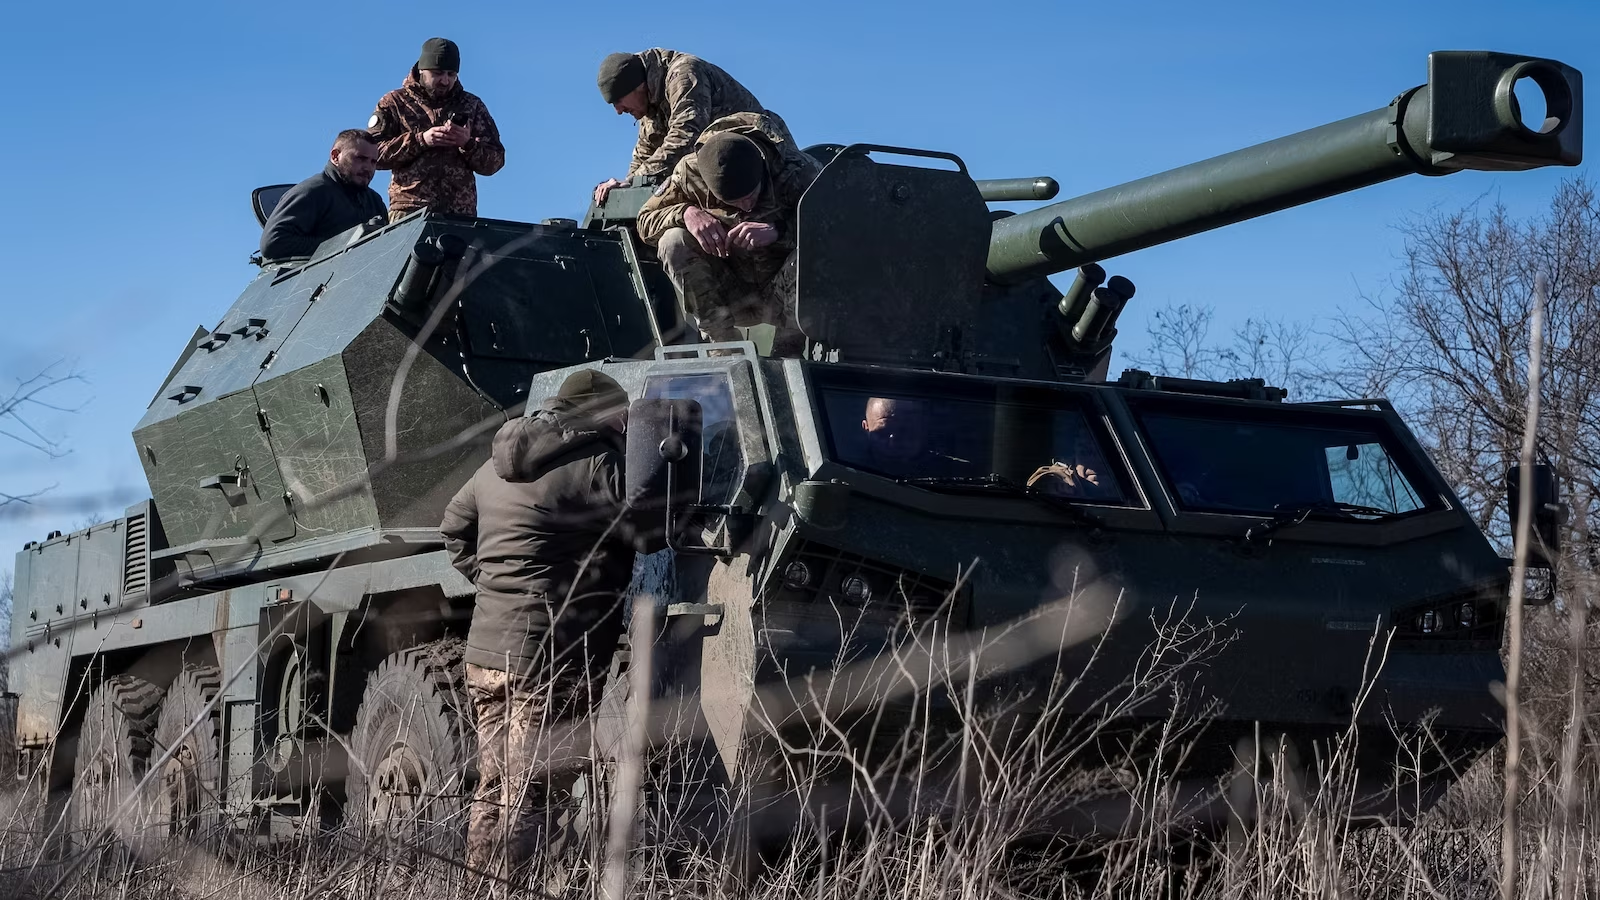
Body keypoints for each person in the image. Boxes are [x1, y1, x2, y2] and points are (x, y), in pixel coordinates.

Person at [439, 369, 663, 885]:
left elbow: (452, 527)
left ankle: (478, 885)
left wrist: (495, 581)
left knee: (493, 786)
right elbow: (649, 535)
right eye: (621, 411)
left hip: (487, 654)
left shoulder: (495, 464)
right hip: (552, 655)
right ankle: (517, 888)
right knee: (534, 792)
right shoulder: (598, 464)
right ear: (602, 412)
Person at [635, 113, 820, 356]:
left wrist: (779, 231)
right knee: (673, 241)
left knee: (807, 256)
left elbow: (840, 230)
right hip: (729, 291)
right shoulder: (689, 172)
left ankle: (787, 355)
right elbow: (644, 220)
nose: (745, 207)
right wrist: (686, 213)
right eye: (733, 202)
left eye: (751, 196)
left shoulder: (799, 171)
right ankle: (725, 351)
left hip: (782, 294)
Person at [592, 49, 793, 206]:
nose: (619, 111)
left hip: (768, 166)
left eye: (618, 101)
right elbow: (645, 153)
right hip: (724, 177)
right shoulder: (649, 103)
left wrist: (634, 180)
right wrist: (624, 186)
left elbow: (685, 138)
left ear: (638, 86)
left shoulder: (684, 74)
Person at [368, 37, 505, 221]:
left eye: (451, 74)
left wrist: (467, 143)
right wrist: (421, 140)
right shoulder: (394, 103)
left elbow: (495, 162)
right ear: (422, 70)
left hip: (460, 214)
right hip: (409, 210)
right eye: (438, 73)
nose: (445, 81)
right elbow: (373, 155)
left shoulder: (471, 105)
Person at [258, 129, 386, 261]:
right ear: (335, 156)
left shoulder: (374, 201)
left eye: (373, 162)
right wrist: (341, 244)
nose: (368, 168)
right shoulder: (312, 192)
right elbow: (273, 243)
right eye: (360, 158)